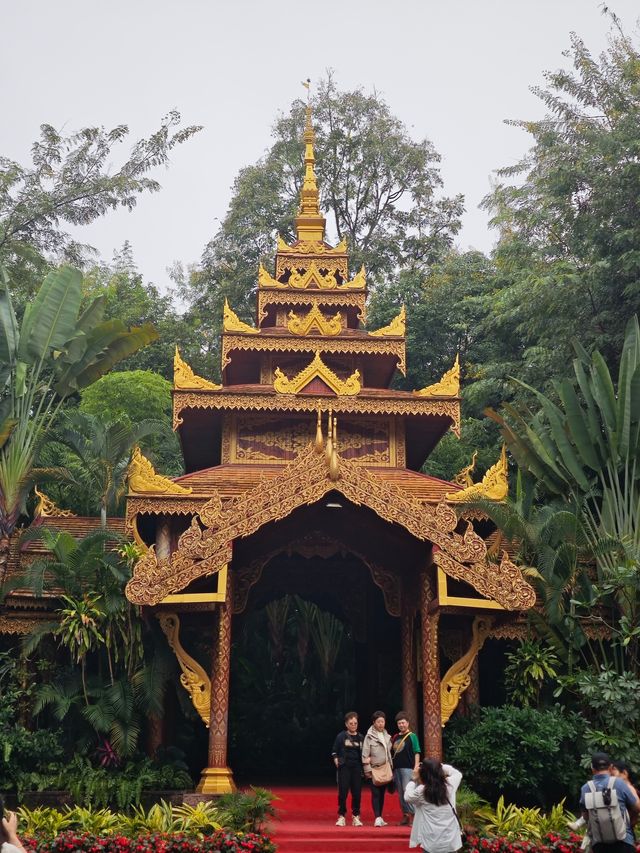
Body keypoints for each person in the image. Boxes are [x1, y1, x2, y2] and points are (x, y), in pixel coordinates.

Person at [580, 752, 639, 853]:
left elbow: (586, 817)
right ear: (610, 767)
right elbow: (637, 807)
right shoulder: (619, 783)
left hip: (600, 845)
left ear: (592, 768)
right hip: (624, 842)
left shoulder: (586, 788)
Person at [404, 758, 463, 852]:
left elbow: (407, 796)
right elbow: (457, 774)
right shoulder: (450, 785)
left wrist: (413, 779)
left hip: (431, 842)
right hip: (450, 841)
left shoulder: (422, 791)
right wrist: (441, 767)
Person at [331, 710, 364, 827]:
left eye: (355, 723)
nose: (353, 725)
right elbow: (334, 751)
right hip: (344, 767)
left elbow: (364, 754)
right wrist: (336, 759)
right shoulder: (341, 736)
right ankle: (341, 816)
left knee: (357, 793)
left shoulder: (361, 738)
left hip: (357, 768)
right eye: (351, 723)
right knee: (343, 793)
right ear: (346, 724)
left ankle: (356, 816)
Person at [362, 710, 393, 827]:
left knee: (382, 794)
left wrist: (391, 767)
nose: (381, 724)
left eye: (382, 721)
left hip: (385, 768)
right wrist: (367, 771)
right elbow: (365, 755)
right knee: (375, 793)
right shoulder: (369, 737)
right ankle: (377, 817)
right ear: (374, 722)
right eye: (378, 722)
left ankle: (380, 816)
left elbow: (389, 754)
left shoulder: (387, 736)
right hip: (374, 769)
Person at [391, 711, 421, 826]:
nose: (401, 725)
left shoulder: (412, 736)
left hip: (408, 768)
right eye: (399, 723)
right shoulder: (395, 737)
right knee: (401, 793)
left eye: (403, 723)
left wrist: (416, 767)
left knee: (408, 791)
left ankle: (413, 816)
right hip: (397, 768)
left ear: (408, 723)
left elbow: (417, 751)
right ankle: (405, 815)